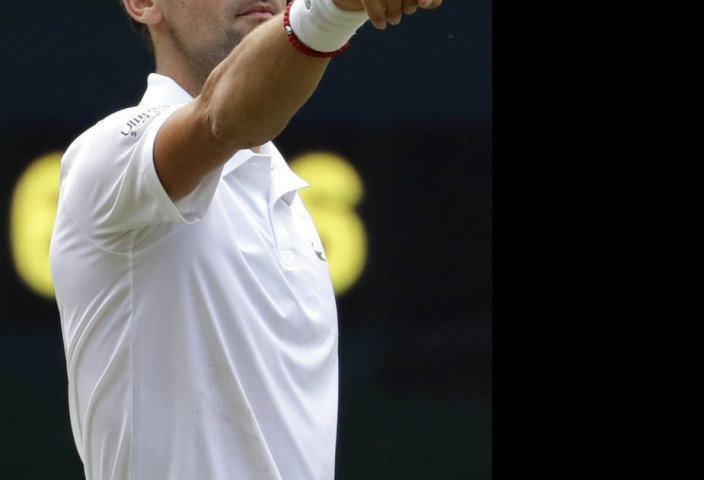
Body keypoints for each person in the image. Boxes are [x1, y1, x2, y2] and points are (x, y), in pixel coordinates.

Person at [48, 0, 442, 478]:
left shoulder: (293, 207)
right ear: (145, 4)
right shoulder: (106, 153)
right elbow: (219, 118)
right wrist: (336, 9)